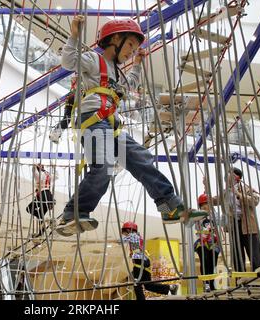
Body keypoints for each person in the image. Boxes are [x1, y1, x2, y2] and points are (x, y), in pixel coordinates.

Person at [56, 16, 207, 236]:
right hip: (92, 121)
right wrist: (75, 34)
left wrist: (137, 64)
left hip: (111, 126)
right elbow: (69, 61)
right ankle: (73, 213)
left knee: (142, 158)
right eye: (129, 46)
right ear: (115, 39)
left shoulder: (117, 73)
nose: (131, 52)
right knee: (104, 166)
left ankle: (169, 205)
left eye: (134, 49)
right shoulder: (93, 60)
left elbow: (131, 85)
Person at [207, 167, 260, 271]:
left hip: (248, 226)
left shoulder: (246, 188)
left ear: (236, 177)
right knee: (237, 256)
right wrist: (206, 186)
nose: (225, 176)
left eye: (229, 174)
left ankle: (259, 280)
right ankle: (241, 281)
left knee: (255, 256)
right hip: (233, 225)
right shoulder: (225, 192)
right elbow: (213, 201)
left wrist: (238, 194)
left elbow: (255, 201)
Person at [121, 221, 178, 300]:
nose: (125, 234)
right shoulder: (137, 237)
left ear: (128, 230)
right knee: (148, 285)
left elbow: (121, 241)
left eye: (125, 232)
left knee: (137, 284)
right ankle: (171, 287)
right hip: (144, 261)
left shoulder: (133, 235)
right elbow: (136, 249)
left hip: (140, 262)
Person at [194, 194, 220, 292]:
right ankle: (206, 284)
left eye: (207, 204)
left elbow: (219, 221)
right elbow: (194, 225)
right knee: (204, 260)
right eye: (202, 205)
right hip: (202, 241)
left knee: (213, 263)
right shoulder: (198, 215)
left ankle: (212, 284)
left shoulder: (214, 215)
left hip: (213, 242)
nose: (205, 206)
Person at [25, 164, 55, 237]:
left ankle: (46, 220)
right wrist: (54, 168)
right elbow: (56, 176)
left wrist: (34, 166)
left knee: (29, 208)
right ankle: (40, 233)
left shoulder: (40, 175)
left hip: (43, 195)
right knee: (41, 214)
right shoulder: (48, 174)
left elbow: (34, 172)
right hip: (49, 196)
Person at [49, 76, 77, 143]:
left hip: (73, 98)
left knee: (68, 119)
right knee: (67, 119)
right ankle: (55, 134)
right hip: (73, 98)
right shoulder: (79, 78)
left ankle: (76, 134)